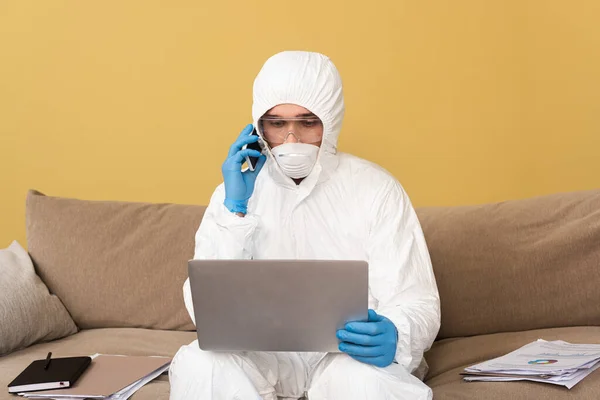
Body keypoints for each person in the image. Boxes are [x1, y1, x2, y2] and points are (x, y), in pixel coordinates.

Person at [169, 51, 441, 400]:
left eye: (307, 122)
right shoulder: (235, 192)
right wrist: (234, 211)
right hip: (260, 360)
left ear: (331, 121)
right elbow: (204, 309)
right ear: (258, 127)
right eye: (277, 124)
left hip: (345, 357)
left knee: (362, 382)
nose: (292, 139)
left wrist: (398, 334)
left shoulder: (376, 188)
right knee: (201, 365)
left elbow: (415, 297)